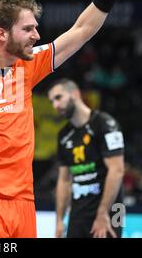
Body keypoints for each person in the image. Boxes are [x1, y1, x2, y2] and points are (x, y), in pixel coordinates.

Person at [0, 0, 136, 238]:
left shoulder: (27, 65)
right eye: (28, 28)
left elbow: (82, 30)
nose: (37, 35)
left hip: (24, 202)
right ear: (1, 33)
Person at [47, 78, 125, 238]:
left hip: (112, 209)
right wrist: (59, 221)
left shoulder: (105, 124)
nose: (55, 105)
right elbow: (64, 180)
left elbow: (117, 170)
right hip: (79, 211)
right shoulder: (63, 135)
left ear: (75, 94)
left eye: (58, 97)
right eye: (52, 101)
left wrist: (103, 213)